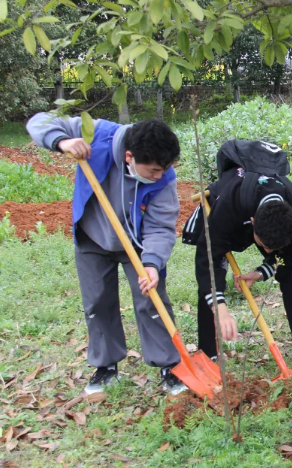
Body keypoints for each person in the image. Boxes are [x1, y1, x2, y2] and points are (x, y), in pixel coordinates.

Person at [27, 113, 186, 396]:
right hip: (93, 236)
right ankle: (106, 367)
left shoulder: (164, 178)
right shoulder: (96, 134)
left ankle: (168, 366)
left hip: (138, 243)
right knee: (98, 301)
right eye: (153, 170)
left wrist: (152, 264)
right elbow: (39, 121)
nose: (159, 176)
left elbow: (161, 226)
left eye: (165, 169)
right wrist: (62, 141)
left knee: (151, 299)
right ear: (129, 157)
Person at [183, 140, 292, 359]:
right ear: (252, 222)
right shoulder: (229, 205)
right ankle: (209, 354)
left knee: (290, 274)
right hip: (228, 208)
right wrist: (220, 306)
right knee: (213, 276)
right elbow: (208, 259)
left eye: (274, 248)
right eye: (264, 245)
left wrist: (260, 273)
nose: (268, 251)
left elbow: (291, 256)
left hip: (259, 212)